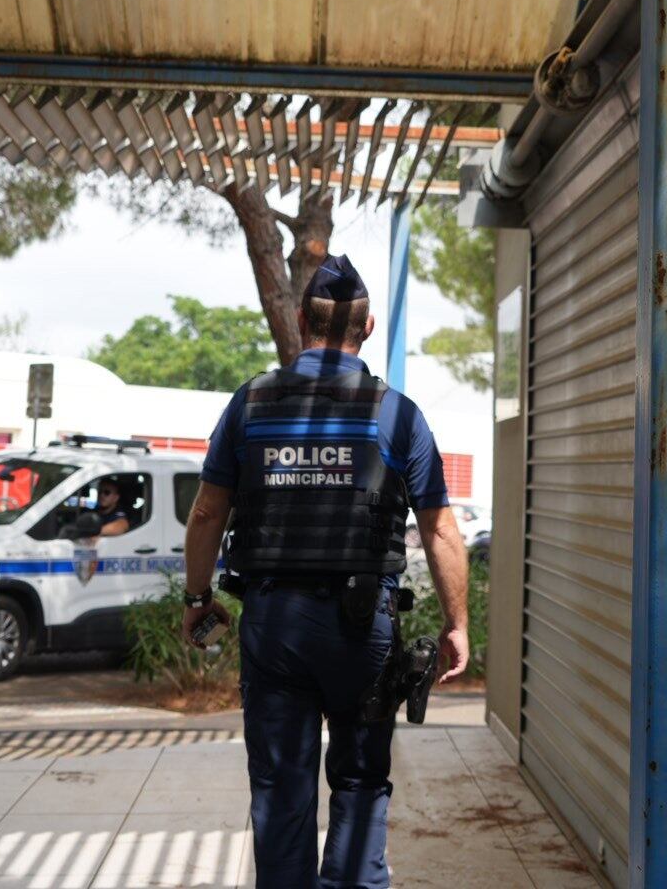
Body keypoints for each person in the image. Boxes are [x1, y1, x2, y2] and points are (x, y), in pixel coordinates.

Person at [180, 255, 469, 889]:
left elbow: (206, 513)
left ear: (301, 321)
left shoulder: (250, 404)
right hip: (361, 633)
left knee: (281, 791)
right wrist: (457, 623)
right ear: (366, 331)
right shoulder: (398, 415)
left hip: (274, 626)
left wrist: (198, 597)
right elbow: (441, 528)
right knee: (361, 784)